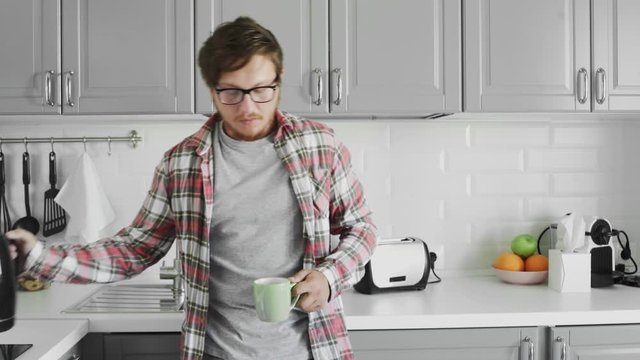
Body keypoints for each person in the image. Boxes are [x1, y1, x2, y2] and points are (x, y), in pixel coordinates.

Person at [5, 16, 378, 360]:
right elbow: (134, 250)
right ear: (212, 91)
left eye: (261, 89)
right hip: (216, 352)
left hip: (312, 350)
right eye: (231, 92)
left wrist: (329, 278)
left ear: (279, 82)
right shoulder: (181, 164)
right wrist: (40, 256)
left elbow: (361, 228)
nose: (248, 106)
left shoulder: (320, 146)